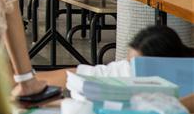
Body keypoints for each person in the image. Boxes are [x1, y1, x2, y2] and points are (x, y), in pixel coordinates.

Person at [38, 24, 194, 88]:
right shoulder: (132, 70)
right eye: (128, 63)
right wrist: (26, 80)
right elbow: (79, 76)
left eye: (134, 66)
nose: (129, 69)